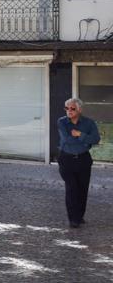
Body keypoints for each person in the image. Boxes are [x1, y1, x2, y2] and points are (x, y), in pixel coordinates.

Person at [57, 97, 101, 229]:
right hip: (66, 159)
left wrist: (80, 134)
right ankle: (73, 219)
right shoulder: (62, 122)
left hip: (83, 159)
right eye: (67, 108)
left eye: (72, 108)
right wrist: (85, 140)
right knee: (71, 188)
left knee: (82, 189)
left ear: (79, 110)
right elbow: (67, 140)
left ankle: (79, 216)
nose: (69, 111)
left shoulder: (89, 123)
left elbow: (96, 139)